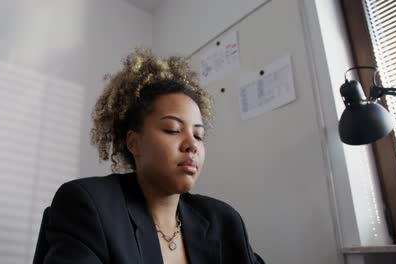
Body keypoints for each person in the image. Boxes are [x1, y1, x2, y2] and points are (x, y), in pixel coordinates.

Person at [43, 49, 265, 264]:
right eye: (172, 129)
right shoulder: (90, 206)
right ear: (134, 143)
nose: (192, 145)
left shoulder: (223, 221)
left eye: (198, 135)